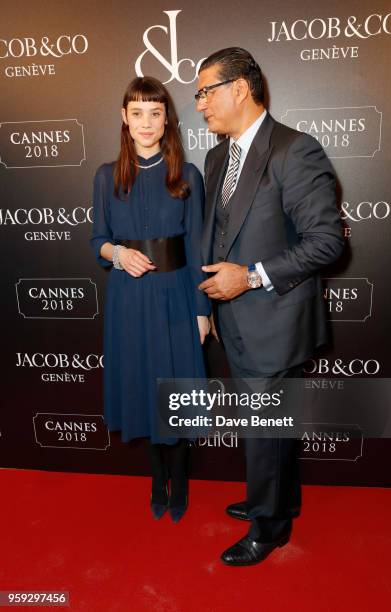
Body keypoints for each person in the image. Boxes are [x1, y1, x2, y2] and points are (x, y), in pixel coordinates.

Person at [196, 48, 344, 565]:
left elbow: (327, 242)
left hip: (276, 319)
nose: (200, 105)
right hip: (232, 317)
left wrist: (252, 277)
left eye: (206, 91)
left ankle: (270, 527)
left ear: (240, 88)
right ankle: (277, 500)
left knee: (266, 426)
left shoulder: (295, 150)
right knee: (265, 427)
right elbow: (216, 235)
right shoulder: (217, 157)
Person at [91, 76, 210, 523]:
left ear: (166, 120)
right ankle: (155, 480)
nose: (146, 122)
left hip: (178, 294)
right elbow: (98, 240)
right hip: (128, 299)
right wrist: (119, 254)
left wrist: (203, 311)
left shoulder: (188, 175)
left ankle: (178, 482)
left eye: (155, 113)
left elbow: (199, 249)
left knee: (175, 390)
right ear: (124, 118)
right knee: (143, 387)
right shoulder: (107, 176)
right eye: (137, 113)